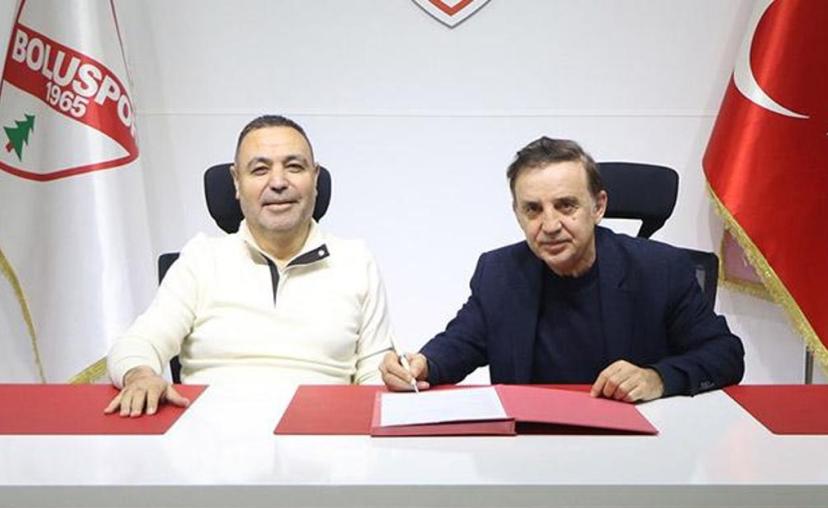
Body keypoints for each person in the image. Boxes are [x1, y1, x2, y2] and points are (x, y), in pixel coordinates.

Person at [381, 137, 744, 401]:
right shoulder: (500, 272)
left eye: (566, 205)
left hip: (632, 451)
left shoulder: (660, 269)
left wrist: (657, 379)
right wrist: (423, 364)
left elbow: (725, 355)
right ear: (517, 214)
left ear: (598, 207)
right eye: (533, 209)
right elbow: (462, 341)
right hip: (531, 449)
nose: (550, 225)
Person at [106, 115, 392, 416]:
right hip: (213, 434)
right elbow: (137, 343)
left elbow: (376, 376)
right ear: (236, 182)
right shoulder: (201, 259)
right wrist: (141, 376)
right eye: (260, 170)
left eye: (294, 167)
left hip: (323, 432)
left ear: (315, 178)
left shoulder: (356, 261)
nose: (278, 183)